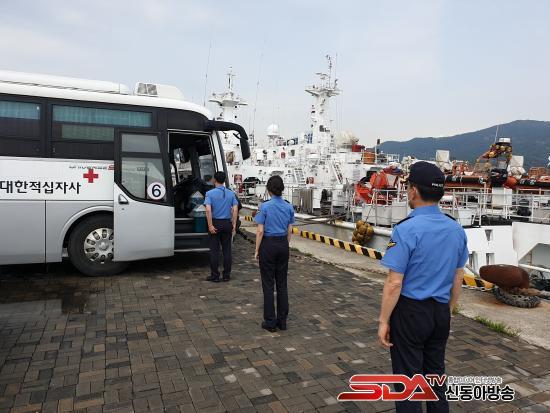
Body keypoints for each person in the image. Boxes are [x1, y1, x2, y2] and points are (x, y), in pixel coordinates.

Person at [378, 161, 469, 413]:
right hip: (440, 312)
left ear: (414, 190)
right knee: (436, 379)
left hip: (411, 313)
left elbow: (394, 283)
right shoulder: (456, 229)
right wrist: (448, 310)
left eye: (408, 186)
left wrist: (384, 321)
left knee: (408, 383)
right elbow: (458, 276)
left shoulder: (406, 229)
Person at [254, 175, 295, 332]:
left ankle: (270, 322)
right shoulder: (288, 207)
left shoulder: (265, 206)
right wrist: (285, 244)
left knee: (268, 284)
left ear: (269, 189)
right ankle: (282, 321)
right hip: (283, 244)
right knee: (282, 283)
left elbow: (260, 230)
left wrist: (257, 250)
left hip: (268, 245)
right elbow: (290, 230)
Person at [204, 171, 239, 282]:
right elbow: (235, 209)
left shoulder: (209, 193)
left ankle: (215, 275)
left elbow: (208, 210)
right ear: (224, 180)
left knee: (214, 251)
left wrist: (210, 225)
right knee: (227, 250)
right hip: (227, 223)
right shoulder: (231, 193)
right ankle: (226, 275)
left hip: (215, 223)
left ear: (214, 180)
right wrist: (234, 224)